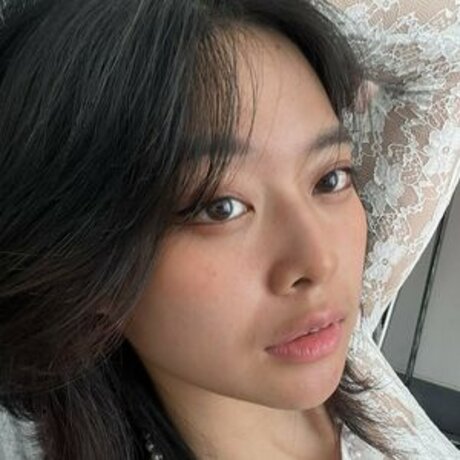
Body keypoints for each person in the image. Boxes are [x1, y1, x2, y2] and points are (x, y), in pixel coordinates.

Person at [0, 0, 459, 459]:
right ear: (83, 261)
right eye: (221, 208)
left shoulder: (332, 336)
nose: (320, 262)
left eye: (329, 178)